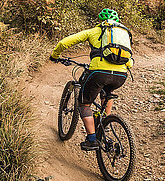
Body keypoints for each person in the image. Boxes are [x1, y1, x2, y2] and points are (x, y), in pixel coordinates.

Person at [49, 8, 133, 151]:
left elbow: (64, 42)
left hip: (99, 73)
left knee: (84, 103)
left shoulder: (95, 31)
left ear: (101, 20)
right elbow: (130, 61)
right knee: (107, 92)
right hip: (121, 75)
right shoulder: (123, 34)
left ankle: (92, 139)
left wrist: (55, 55)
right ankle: (105, 122)